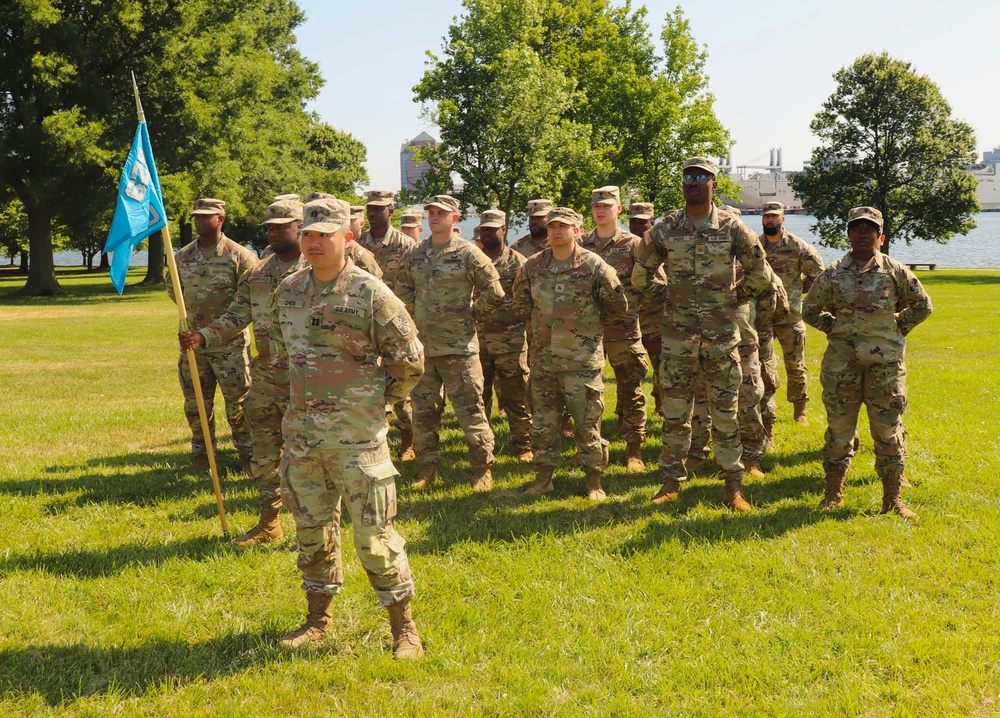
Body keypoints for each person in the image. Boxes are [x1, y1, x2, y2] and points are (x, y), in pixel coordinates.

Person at [269, 196, 425, 657]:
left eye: (325, 235)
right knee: (311, 532)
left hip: (358, 441)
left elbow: (411, 360)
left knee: (376, 539)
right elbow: (282, 351)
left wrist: (378, 403)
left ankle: (404, 630)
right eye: (308, 235)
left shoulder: (371, 292)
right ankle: (318, 621)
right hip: (303, 441)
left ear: (347, 238)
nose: (314, 243)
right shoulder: (290, 291)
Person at [632, 158, 775, 512]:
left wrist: (732, 299)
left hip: (721, 336)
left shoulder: (733, 227)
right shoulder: (665, 228)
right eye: (688, 177)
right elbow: (640, 275)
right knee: (675, 412)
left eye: (702, 177)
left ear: (714, 184)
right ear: (683, 184)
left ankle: (733, 487)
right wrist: (669, 297)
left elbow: (761, 274)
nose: (694, 182)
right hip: (678, 338)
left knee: (726, 411)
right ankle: (671, 483)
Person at [178, 196, 307, 546]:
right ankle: (269, 523)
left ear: (301, 227)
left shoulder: (317, 269)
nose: (274, 233)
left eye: (282, 227)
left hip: (311, 381)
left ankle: (318, 528)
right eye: (270, 228)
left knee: (314, 456)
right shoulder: (259, 273)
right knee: (265, 455)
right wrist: (202, 336)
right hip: (267, 379)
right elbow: (236, 316)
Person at [803, 206, 931, 518]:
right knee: (839, 431)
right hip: (842, 365)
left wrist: (895, 327)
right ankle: (834, 493)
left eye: (869, 228)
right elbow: (809, 310)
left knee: (888, 431)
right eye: (857, 228)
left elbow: (923, 305)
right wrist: (835, 328)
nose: (863, 233)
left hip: (885, 367)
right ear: (848, 234)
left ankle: (893, 498)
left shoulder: (895, 271)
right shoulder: (832, 273)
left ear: (879, 236)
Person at [513, 207, 627, 501]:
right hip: (543, 362)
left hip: (581, 363)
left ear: (578, 231)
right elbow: (520, 304)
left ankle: (594, 482)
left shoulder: (594, 266)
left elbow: (617, 306)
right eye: (552, 227)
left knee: (588, 425)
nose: (556, 231)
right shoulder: (532, 266)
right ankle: (543, 480)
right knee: (542, 426)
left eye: (563, 226)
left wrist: (586, 333)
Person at [395, 194, 504, 491]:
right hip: (424, 349)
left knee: (470, 410)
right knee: (423, 411)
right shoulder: (417, 254)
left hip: (459, 348)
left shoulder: (469, 253)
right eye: (431, 212)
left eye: (441, 213)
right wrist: (413, 323)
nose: (434, 217)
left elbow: (494, 291)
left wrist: (470, 316)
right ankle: (427, 468)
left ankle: (483, 468)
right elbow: (401, 292)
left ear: (455, 218)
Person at [167, 198, 259, 473]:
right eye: (196, 216)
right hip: (192, 348)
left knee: (239, 407)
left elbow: (248, 303)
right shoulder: (182, 257)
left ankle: (247, 456)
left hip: (229, 349)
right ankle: (203, 456)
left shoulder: (240, 256)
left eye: (206, 217)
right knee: (195, 407)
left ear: (220, 219)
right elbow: (174, 290)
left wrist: (212, 331)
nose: (199, 220)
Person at [579, 187, 648, 471]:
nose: (600, 210)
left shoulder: (634, 245)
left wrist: (632, 306)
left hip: (624, 330)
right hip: (587, 332)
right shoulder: (580, 244)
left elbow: (654, 282)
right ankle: (590, 448)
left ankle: (634, 451)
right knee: (585, 392)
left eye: (607, 206)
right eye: (596, 206)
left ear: (619, 209)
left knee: (631, 389)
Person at [354, 190, 420, 461]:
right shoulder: (358, 244)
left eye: (379, 208)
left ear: (391, 211)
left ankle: (409, 438)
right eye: (370, 208)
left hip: (395, 326)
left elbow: (416, 287)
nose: (372, 212)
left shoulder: (407, 245)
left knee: (399, 383)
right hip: (364, 325)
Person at [475, 209, 532, 461]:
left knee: (515, 395)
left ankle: (523, 445)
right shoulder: (473, 259)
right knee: (479, 396)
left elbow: (529, 299)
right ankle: (483, 447)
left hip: (511, 341)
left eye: (492, 228)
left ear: (503, 230)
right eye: (484, 229)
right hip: (477, 340)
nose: (487, 233)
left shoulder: (518, 262)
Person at [760, 201, 824, 426]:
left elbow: (818, 276)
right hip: (761, 318)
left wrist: (796, 292)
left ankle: (800, 411)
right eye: (767, 216)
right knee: (761, 366)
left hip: (790, 317)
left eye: (775, 216)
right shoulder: (754, 245)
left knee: (795, 365)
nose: (770, 220)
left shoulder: (798, 246)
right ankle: (764, 408)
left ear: (783, 219)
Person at [629, 201, 664, 415]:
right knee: (632, 371)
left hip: (656, 320)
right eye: (633, 223)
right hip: (631, 320)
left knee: (662, 367)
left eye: (643, 223)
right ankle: (628, 412)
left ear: (653, 221)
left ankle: (662, 406)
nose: (638, 227)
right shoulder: (629, 246)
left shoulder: (660, 246)